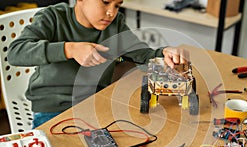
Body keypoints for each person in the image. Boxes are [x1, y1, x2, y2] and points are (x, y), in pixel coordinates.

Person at [7, 0, 190, 128]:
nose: (112, 12)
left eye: (117, 5)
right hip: (54, 107)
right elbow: (16, 52)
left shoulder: (115, 25)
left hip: (95, 104)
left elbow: (141, 55)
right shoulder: (52, 17)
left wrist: (164, 53)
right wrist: (70, 49)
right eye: (105, 2)